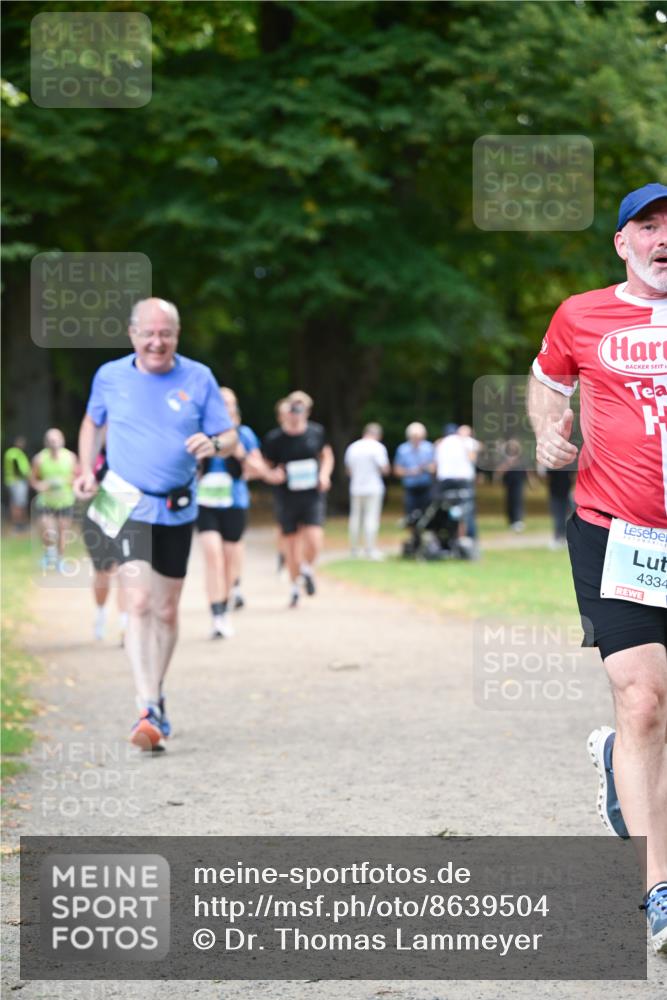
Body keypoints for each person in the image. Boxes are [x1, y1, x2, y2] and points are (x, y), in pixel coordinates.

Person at [528, 182, 667, 953]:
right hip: (616, 534)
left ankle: (618, 766)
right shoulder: (580, 313)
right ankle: (658, 892)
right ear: (622, 242)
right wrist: (548, 433)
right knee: (643, 700)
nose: (660, 239)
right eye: (646, 226)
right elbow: (547, 382)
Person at [74, 297, 236, 751]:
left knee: (166, 608)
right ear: (132, 335)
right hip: (121, 498)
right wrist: (87, 469)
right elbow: (92, 422)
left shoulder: (198, 377)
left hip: (176, 505)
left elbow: (228, 436)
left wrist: (214, 444)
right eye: (148, 332)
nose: (156, 341)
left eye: (165, 333)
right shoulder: (110, 376)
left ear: (176, 336)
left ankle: (157, 695)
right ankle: (145, 703)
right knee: (140, 601)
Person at [197, 386, 278, 638]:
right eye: (219, 402)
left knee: (230, 559)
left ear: (235, 408)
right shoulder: (202, 432)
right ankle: (217, 614)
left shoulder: (245, 434)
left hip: (234, 502)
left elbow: (260, 469)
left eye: (229, 402)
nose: (224, 406)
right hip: (206, 503)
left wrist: (241, 455)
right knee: (212, 556)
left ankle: (228, 598)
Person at [262, 390, 334, 608]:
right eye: (293, 407)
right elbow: (265, 463)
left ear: (308, 411)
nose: (296, 412)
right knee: (292, 546)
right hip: (287, 497)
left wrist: (324, 475)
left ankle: (306, 569)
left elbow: (327, 455)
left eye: (301, 408)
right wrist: (273, 474)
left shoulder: (316, 432)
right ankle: (295, 587)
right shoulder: (275, 439)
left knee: (314, 539)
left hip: (312, 495)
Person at [81, 443, 128, 642]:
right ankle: (101, 613)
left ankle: (126, 625)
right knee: (103, 573)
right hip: (98, 520)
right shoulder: (92, 457)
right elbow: (83, 487)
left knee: (123, 571)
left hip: (126, 518)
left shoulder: (136, 453)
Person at [31, 428, 77, 572]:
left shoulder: (70, 457)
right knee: (49, 532)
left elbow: (77, 477)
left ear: (62, 440)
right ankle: (49, 553)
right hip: (46, 502)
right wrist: (40, 485)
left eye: (56, 439)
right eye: (50, 440)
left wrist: (65, 481)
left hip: (66, 501)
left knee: (63, 532)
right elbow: (33, 479)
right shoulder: (39, 459)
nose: (54, 443)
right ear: (46, 442)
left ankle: (60, 560)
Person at [344, 422, 390, 559]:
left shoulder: (353, 447)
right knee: (371, 518)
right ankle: (370, 549)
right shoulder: (378, 448)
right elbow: (384, 468)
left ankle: (354, 549)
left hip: (356, 487)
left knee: (355, 518)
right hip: (373, 487)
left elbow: (348, 470)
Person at [434, 423, 480, 542]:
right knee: (466, 510)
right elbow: (477, 450)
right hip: (463, 481)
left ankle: (447, 536)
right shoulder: (464, 441)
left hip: (444, 481)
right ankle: (468, 539)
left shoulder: (441, 443)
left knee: (444, 509)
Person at [393, 422, 435, 517]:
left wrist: (426, 468)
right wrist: (411, 472)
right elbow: (397, 470)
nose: (417, 440)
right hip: (410, 487)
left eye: (419, 437)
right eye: (414, 437)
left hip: (426, 486)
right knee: (410, 514)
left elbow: (434, 467)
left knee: (427, 514)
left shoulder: (428, 448)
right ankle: (413, 531)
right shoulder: (402, 449)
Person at [3, 435, 31, 532]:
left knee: (16, 503)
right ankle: (18, 525)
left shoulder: (12, 453)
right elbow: (19, 469)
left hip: (13, 481)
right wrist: (28, 477)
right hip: (17, 481)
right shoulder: (15, 454)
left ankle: (19, 524)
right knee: (17, 504)